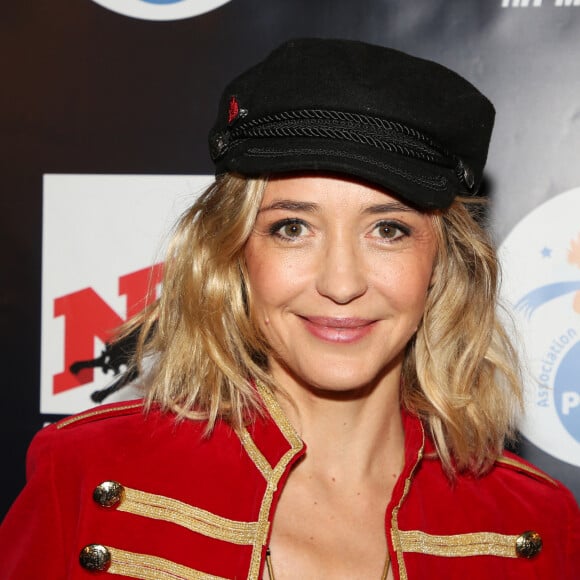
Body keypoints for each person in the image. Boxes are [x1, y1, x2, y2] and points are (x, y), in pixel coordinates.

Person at [1, 38, 579, 580]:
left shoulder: (534, 525)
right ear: (233, 253)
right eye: (293, 227)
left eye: (388, 229)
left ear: (442, 265)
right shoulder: (86, 475)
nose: (342, 282)